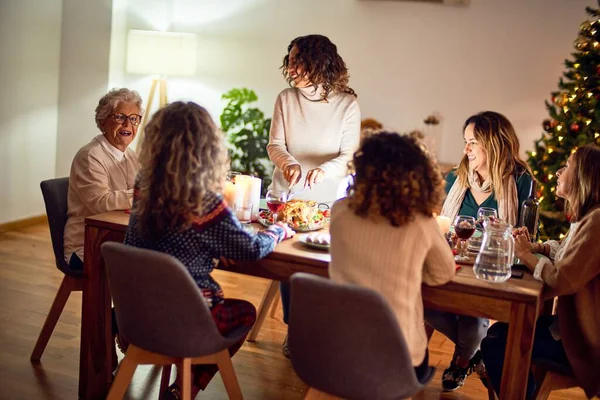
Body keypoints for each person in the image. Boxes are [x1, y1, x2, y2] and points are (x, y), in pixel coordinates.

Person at [124, 101, 295, 399]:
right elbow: (252, 249)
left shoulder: (144, 186)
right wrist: (279, 229)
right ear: (208, 148)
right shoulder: (204, 201)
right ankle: (185, 389)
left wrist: (214, 243)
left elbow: (173, 235)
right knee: (243, 313)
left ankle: (179, 387)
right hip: (185, 322)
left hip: (136, 316)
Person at [329, 132, 456, 375]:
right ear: (417, 176)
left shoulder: (339, 211)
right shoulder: (420, 221)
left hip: (339, 349)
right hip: (398, 357)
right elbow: (443, 273)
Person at [424, 111, 534, 391]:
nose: (466, 149)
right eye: (465, 142)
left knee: (473, 317)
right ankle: (475, 355)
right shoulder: (456, 178)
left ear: (493, 143)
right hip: (456, 263)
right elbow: (443, 225)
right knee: (423, 301)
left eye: (472, 142)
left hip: (492, 267)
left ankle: (461, 361)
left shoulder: (521, 181)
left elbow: (525, 235)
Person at [266, 34, 361, 357]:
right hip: (288, 197)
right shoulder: (285, 99)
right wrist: (289, 163)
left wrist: (326, 169)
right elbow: (275, 145)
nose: (290, 67)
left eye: (297, 60)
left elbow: (349, 155)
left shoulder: (347, 103)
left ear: (318, 63)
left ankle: (322, 329)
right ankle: (296, 330)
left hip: (326, 201)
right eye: (289, 60)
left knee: (323, 268)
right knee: (292, 265)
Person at [482, 144, 600, 399]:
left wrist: (525, 254)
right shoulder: (588, 217)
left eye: (567, 166)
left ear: (583, 176)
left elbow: (562, 278)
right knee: (498, 332)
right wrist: (538, 247)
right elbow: (569, 252)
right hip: (568, 330)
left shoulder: (597, 221)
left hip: (585, 343)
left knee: (497, 344)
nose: (559, 172)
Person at [63, 88, 143, 270]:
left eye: (134, 118)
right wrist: (145, 194)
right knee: (152, 265)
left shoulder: (130, 155)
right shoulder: (90, 156)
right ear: (103, 121)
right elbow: (100, 202)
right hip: (86, 246)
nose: (127, 124)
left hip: (116, 238)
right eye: (120, 117)